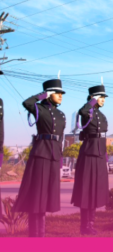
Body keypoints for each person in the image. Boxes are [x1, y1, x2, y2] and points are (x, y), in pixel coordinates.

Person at [14, 79, 67, 237]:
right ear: (49, 94)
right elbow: (27, 103)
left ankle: (41, 233)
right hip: (41, 153)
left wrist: (60, 156)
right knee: (37, 193)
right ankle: (34, 233)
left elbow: (61, 137)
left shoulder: (61, 114)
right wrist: (42, 95)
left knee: (48, 194)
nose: (60, 96)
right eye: (57, 93)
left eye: (61, 93)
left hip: (53, 155)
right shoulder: (40, 108)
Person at [71, 84, 110, 235]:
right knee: (86, 190)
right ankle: (84, 226)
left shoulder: (101, 115)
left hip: (100, 153)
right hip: (88, 152)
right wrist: (92, 101)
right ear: (93, 97)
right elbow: (83, 111)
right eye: (101, 97)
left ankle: (91, 224)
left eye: (104, 98)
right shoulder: (87, 111)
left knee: (95, 190)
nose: (103, 100)